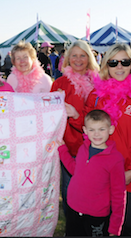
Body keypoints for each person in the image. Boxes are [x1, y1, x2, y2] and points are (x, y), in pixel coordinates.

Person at [72, 43, 131, 236]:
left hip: (130, 178)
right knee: (98, 227)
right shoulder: (96, 95)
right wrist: (74, 115)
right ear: (106, 66)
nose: (119, 67)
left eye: (125, 61)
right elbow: (89, 127)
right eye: (113, 62)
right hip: (100, 177)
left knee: (123, 229)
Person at [50, 40, 100, 217]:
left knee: (95, 189)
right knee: (70, 189)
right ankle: (72, 228)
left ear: (89, 58)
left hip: (95, 146)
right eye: (74, 55)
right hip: (70, 147)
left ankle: (90, 223)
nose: (78, 60)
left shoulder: (99, 83)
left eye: (83, 55)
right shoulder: (59, 84)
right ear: (67, 58)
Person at [59, 109, 126, 236]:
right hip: (73, 208)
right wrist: (62, 150)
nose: (96, 134)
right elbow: (75, 169)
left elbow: (119, 194)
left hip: (96, 215)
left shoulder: (115, 159)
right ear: (85, 130)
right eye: (92, 129)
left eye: (102, 129)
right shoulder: (83, 149)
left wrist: (115, 225)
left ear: (111, 129)